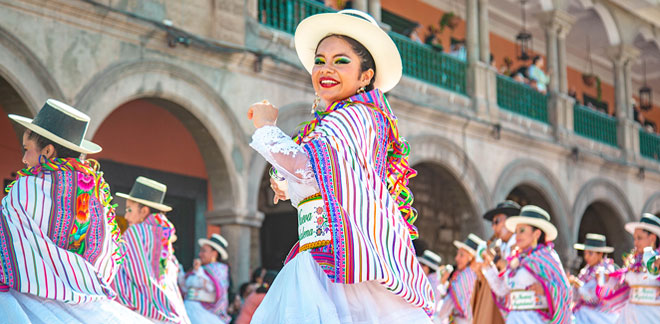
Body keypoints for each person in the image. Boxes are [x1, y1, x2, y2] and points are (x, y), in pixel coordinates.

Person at [247, 9, 434, 323]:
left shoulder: (354, 116)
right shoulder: (349, 118)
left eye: (341, 60)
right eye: (320, 60)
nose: (326, 68)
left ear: (365, 76)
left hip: (342, 271)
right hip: (327, 260)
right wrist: (288, 180)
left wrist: (266, 128)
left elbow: (308, 167)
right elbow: (323, 177)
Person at [0, 100, 150, 323]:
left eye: (27, 149)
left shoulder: (25, 187)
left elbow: (7, 247)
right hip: (87, 302)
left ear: (48, 151)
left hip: (29, 298)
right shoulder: (96, 195)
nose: (23, 159)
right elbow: (105, 253)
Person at [113, 177, 190, 323]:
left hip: (144, 309)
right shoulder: (164, 236)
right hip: (170, 305)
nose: (126, 215)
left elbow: (139, 276)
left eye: (129, 209)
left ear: (144, 211)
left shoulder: (135, 232)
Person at [482, 205, 572, 324]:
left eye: (522, 230)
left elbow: (565, 290)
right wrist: (488, 268)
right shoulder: (516, 260)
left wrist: (546, 289)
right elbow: (502, 290)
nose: (517, 236)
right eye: (517, 231)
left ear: (536, 234)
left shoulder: (546, 257)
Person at [471, 201, 521, 324]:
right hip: (490, 304)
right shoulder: (499, 246)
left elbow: (512, 274)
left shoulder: (518, 246)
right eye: (493, 223)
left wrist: (494, 260)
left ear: (510, 222)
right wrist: (482, 268)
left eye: (497, 222)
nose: (493, 227)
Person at [615, 213, 660, 323]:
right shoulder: (633, 262)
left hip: (652, 315)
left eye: (639, 238)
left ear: (653, 238)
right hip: (629, 315)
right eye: (634, 238)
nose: (635, 242)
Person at [570, 233, 623, 324]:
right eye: (585, 253)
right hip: (583, 313)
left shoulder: (606, 272)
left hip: (600, 316)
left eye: (590, 253)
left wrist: (579, 286)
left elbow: (597, 299)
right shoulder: (585, 271)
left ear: (600, 254)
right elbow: (575, 297)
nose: (586, 257)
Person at [180, 234, 232, 324]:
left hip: (205, 316)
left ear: (214, 253)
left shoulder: (219, 271)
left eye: (204, 251)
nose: (200, 254)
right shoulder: (200, 270)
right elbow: (184, 286)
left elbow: (211, 287)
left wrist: (198, 271)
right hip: (188, 311)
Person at [436, 234, 484, 324]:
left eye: (461, 255)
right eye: (458, 254)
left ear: (471, 258)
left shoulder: (464, 277)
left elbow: (448, 303)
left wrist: (436, 319)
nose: (456, 258)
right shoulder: (478, 276)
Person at [418, 250, 443, 318]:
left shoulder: (429, 283)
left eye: (423, 264)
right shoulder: (434, 281)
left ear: (429, 268)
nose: (420, 266)